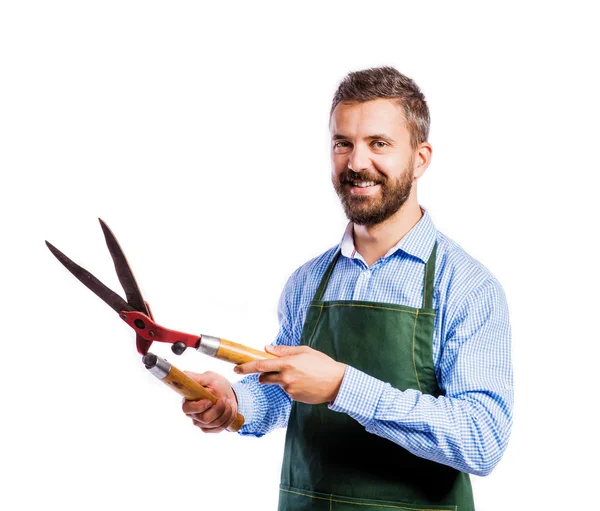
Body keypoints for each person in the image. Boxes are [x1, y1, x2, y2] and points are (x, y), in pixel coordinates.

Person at [182, 66, 513, 510]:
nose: (356, 163)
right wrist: (233, 400)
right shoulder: (307, 281)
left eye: (379, 143)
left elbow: (481, 438)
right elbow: (282, 394)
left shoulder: (467, 287)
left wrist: (342, 387)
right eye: (343, 144)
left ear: (420, 158)